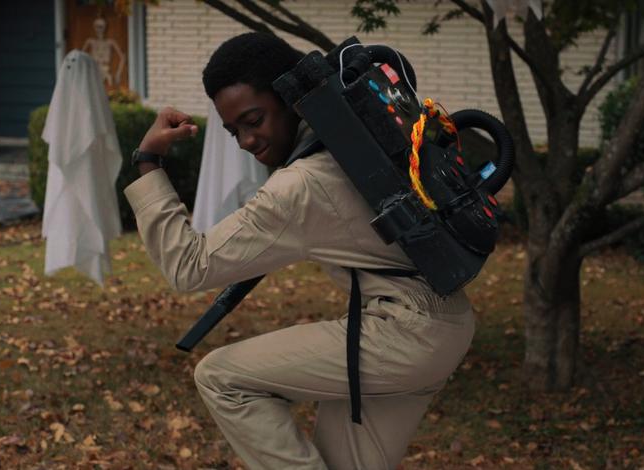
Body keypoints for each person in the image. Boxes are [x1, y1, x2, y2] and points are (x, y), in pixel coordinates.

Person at [123, 32, 474, 470]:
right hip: (444, 322)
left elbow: (187, 267)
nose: (247, 141)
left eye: (254, 120)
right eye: (235, 132)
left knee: (221, 379)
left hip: (404, 332)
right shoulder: (353, 141)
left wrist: (148, 160)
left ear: (289, 97)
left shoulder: (303, 183)